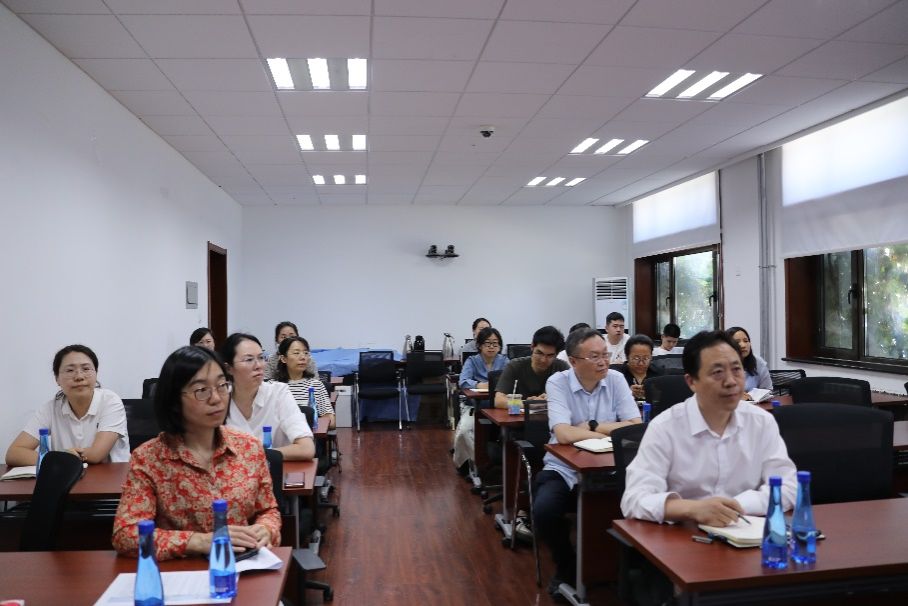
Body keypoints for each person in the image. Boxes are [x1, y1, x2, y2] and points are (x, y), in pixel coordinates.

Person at [112, 346, 280, 560]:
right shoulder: (149, 458)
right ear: (174, 400)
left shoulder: (249, 448)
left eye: (222, 386)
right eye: (201, 390)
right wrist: (200, 541)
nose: (216, 398)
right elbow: (126, 535)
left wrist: (266, 529)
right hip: (181, 572)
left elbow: (268, 511)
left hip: (243, 567)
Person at [621, 329, 797, 524]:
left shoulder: (761, 422)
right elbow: (634, 499)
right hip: (683, 536)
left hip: (748, 531)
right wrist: (693, 509)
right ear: (691, 382)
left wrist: (735, 506)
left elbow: (789, 487)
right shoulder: (665, 428)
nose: (731, 381)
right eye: (718, 372)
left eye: (736, 369)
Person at [534, 328, 642, 593]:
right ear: (573, 361)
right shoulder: (558, 382)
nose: (603, 362)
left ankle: (622, 569)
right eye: (594, 357)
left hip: (611, 470)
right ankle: (566, 565)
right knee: (544, 511)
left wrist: (593, 425)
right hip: (564, 468)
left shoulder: (616, 379)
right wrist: (612, 430)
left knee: (638, 506)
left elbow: (634, 426)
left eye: (605, 355)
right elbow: (563, 433)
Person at [5, 344, 129, 466]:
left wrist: (57, 458)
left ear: (96, 373)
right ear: (57, 379)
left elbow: (96, 455)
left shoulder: (110, 401)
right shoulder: (50, 408)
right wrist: (60, 458)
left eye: (86, 369)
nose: (79, 376)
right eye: (70, 370)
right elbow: (14, 453)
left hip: (111, 477)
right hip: (67, 478)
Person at [221, 333, 315, 461]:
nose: (259, 365)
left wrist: (255, 455)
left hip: (273, 471)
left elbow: (306, 448)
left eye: (261, 358)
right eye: (249, 359)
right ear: (228, 368)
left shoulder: (278, 393)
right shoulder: (220, 399)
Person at [452, 326, 508, 469]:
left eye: (495, 343)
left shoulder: (505, 361)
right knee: (465, 431)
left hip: (499, 407)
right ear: (479, 345)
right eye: (487, 343)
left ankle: (501, 464)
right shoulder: (472, 361)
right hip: (474, 406)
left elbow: (512, 382)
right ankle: (474, 464)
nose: (491, 347)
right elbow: (463, 382)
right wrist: (479, 385)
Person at [493, 326, 569, 408]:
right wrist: (527, 404)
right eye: (539, 353)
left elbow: (573, 398)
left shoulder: (562, 368)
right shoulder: (515, 366)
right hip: (520, 414)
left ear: (557, 354)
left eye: (550, 355)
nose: (543, 360)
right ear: (532, 347)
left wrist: (552, 399)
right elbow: (499, 401)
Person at [274, 335, 335, 429]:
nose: (303, 357)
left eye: (306, 353)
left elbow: (331, 422)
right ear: (283, 359)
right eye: (296, 353)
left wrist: (312, 421)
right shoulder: (273, 387)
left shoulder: (316, 385)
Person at [726, 326, 771, 396]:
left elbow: (767, 390)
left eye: (746, 341)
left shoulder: (758, 362)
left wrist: (751, 397)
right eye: (737, 342)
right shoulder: (720, 364)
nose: (743, 345)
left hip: (755, 402)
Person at [614, 334, 661, 401]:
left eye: (646, 358)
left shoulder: (659, 374)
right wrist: (626, 393)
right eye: (636, 358)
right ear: (627, 357)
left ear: (651, 357)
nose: (641, 363)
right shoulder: (617, 375)